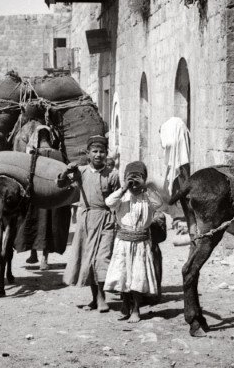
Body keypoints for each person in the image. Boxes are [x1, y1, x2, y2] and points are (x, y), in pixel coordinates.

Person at [62, 135, 120, 312]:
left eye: (102, 151)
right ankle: (95, 298)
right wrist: (66, 172)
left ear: (106, 154)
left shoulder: (113, 174)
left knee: (101, 259)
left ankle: (102, 297)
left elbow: (118, 198)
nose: (98, 154)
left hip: (106, 219)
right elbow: (61, 184)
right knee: (88, 260)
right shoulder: (81, 172)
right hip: (86, 221)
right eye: (94, 151)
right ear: (88, 154)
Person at [105, 161, 165, 322]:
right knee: (123, 275)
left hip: (141, 243)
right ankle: (125, 303)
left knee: (138, 276)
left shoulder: (147, 197)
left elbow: (159, 203)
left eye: (138, 178)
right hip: (123, 242)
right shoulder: (122, 196)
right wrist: (124, 187)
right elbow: (109, 202)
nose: (134, 183)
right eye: (130, 178)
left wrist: (145, 186)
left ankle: (136, 309)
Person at [15, 125, 71, 270]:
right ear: (51, 138)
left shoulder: (32, 155)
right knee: (48, 224)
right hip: (52, 196)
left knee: (33, 221)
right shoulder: (59, 155)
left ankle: (34, 254)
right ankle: (43, 260)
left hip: (36, 195)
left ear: (36, 138)